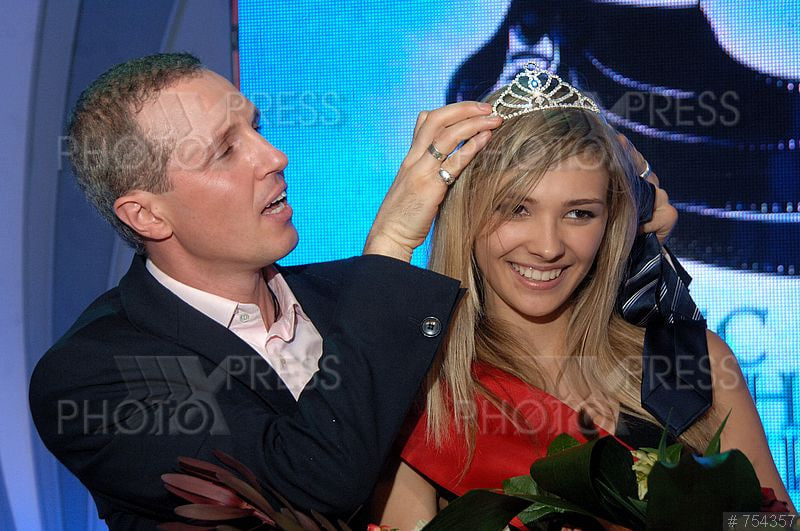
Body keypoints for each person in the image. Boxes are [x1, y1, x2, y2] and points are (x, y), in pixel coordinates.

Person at [28, 52, 504, 529]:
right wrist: (393, 242)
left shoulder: (360, 297)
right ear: (147, 216)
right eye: (224, 151)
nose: (275, 157)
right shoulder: (92, 375)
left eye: (256, 127)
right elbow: (311, 481)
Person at [377, 65, 793, 528]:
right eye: (516, 208)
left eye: (579, 213)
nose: (548, 246)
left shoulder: (691, 362)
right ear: (465, 215)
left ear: (611, 224)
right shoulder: (420, 395)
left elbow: (777, 524)